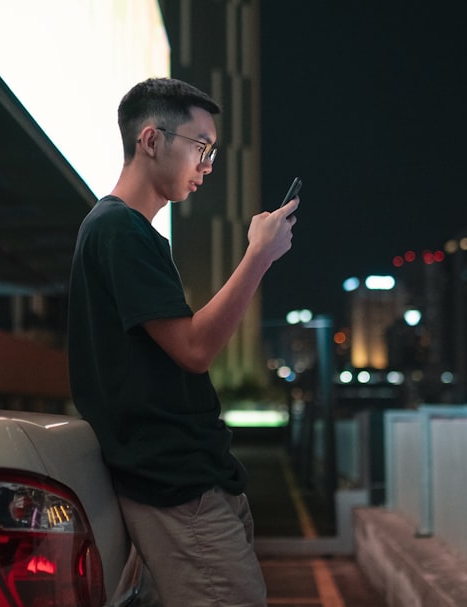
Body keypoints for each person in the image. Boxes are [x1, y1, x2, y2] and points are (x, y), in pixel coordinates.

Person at [67, 77, 298, 606]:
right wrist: (257, 256)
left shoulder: (124, 231)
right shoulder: (119, 230)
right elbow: (193, 350)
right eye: (201, 147)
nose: (208, 165)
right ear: (151, 141)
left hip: (187, 480)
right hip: (175, 486)